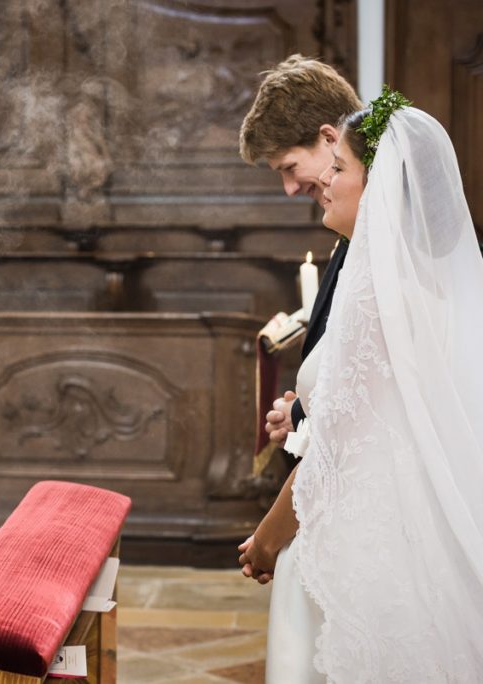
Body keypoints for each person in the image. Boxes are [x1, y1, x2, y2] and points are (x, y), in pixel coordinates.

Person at [264, 91, 483, 680]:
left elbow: (337, 445)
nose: (326, 182)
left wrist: (266, 538)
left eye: (339, 168)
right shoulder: (422, 289)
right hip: (399, 534)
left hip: (362, 550)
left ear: (381, 186)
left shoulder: (381, 298)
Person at [236, 55, 361, 582]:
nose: (290, 189)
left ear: (331, 139)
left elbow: (369, 418)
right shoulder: (351, 241)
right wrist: (304, 415)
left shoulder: (389, 257)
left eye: (290, 168)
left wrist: (268, 538)